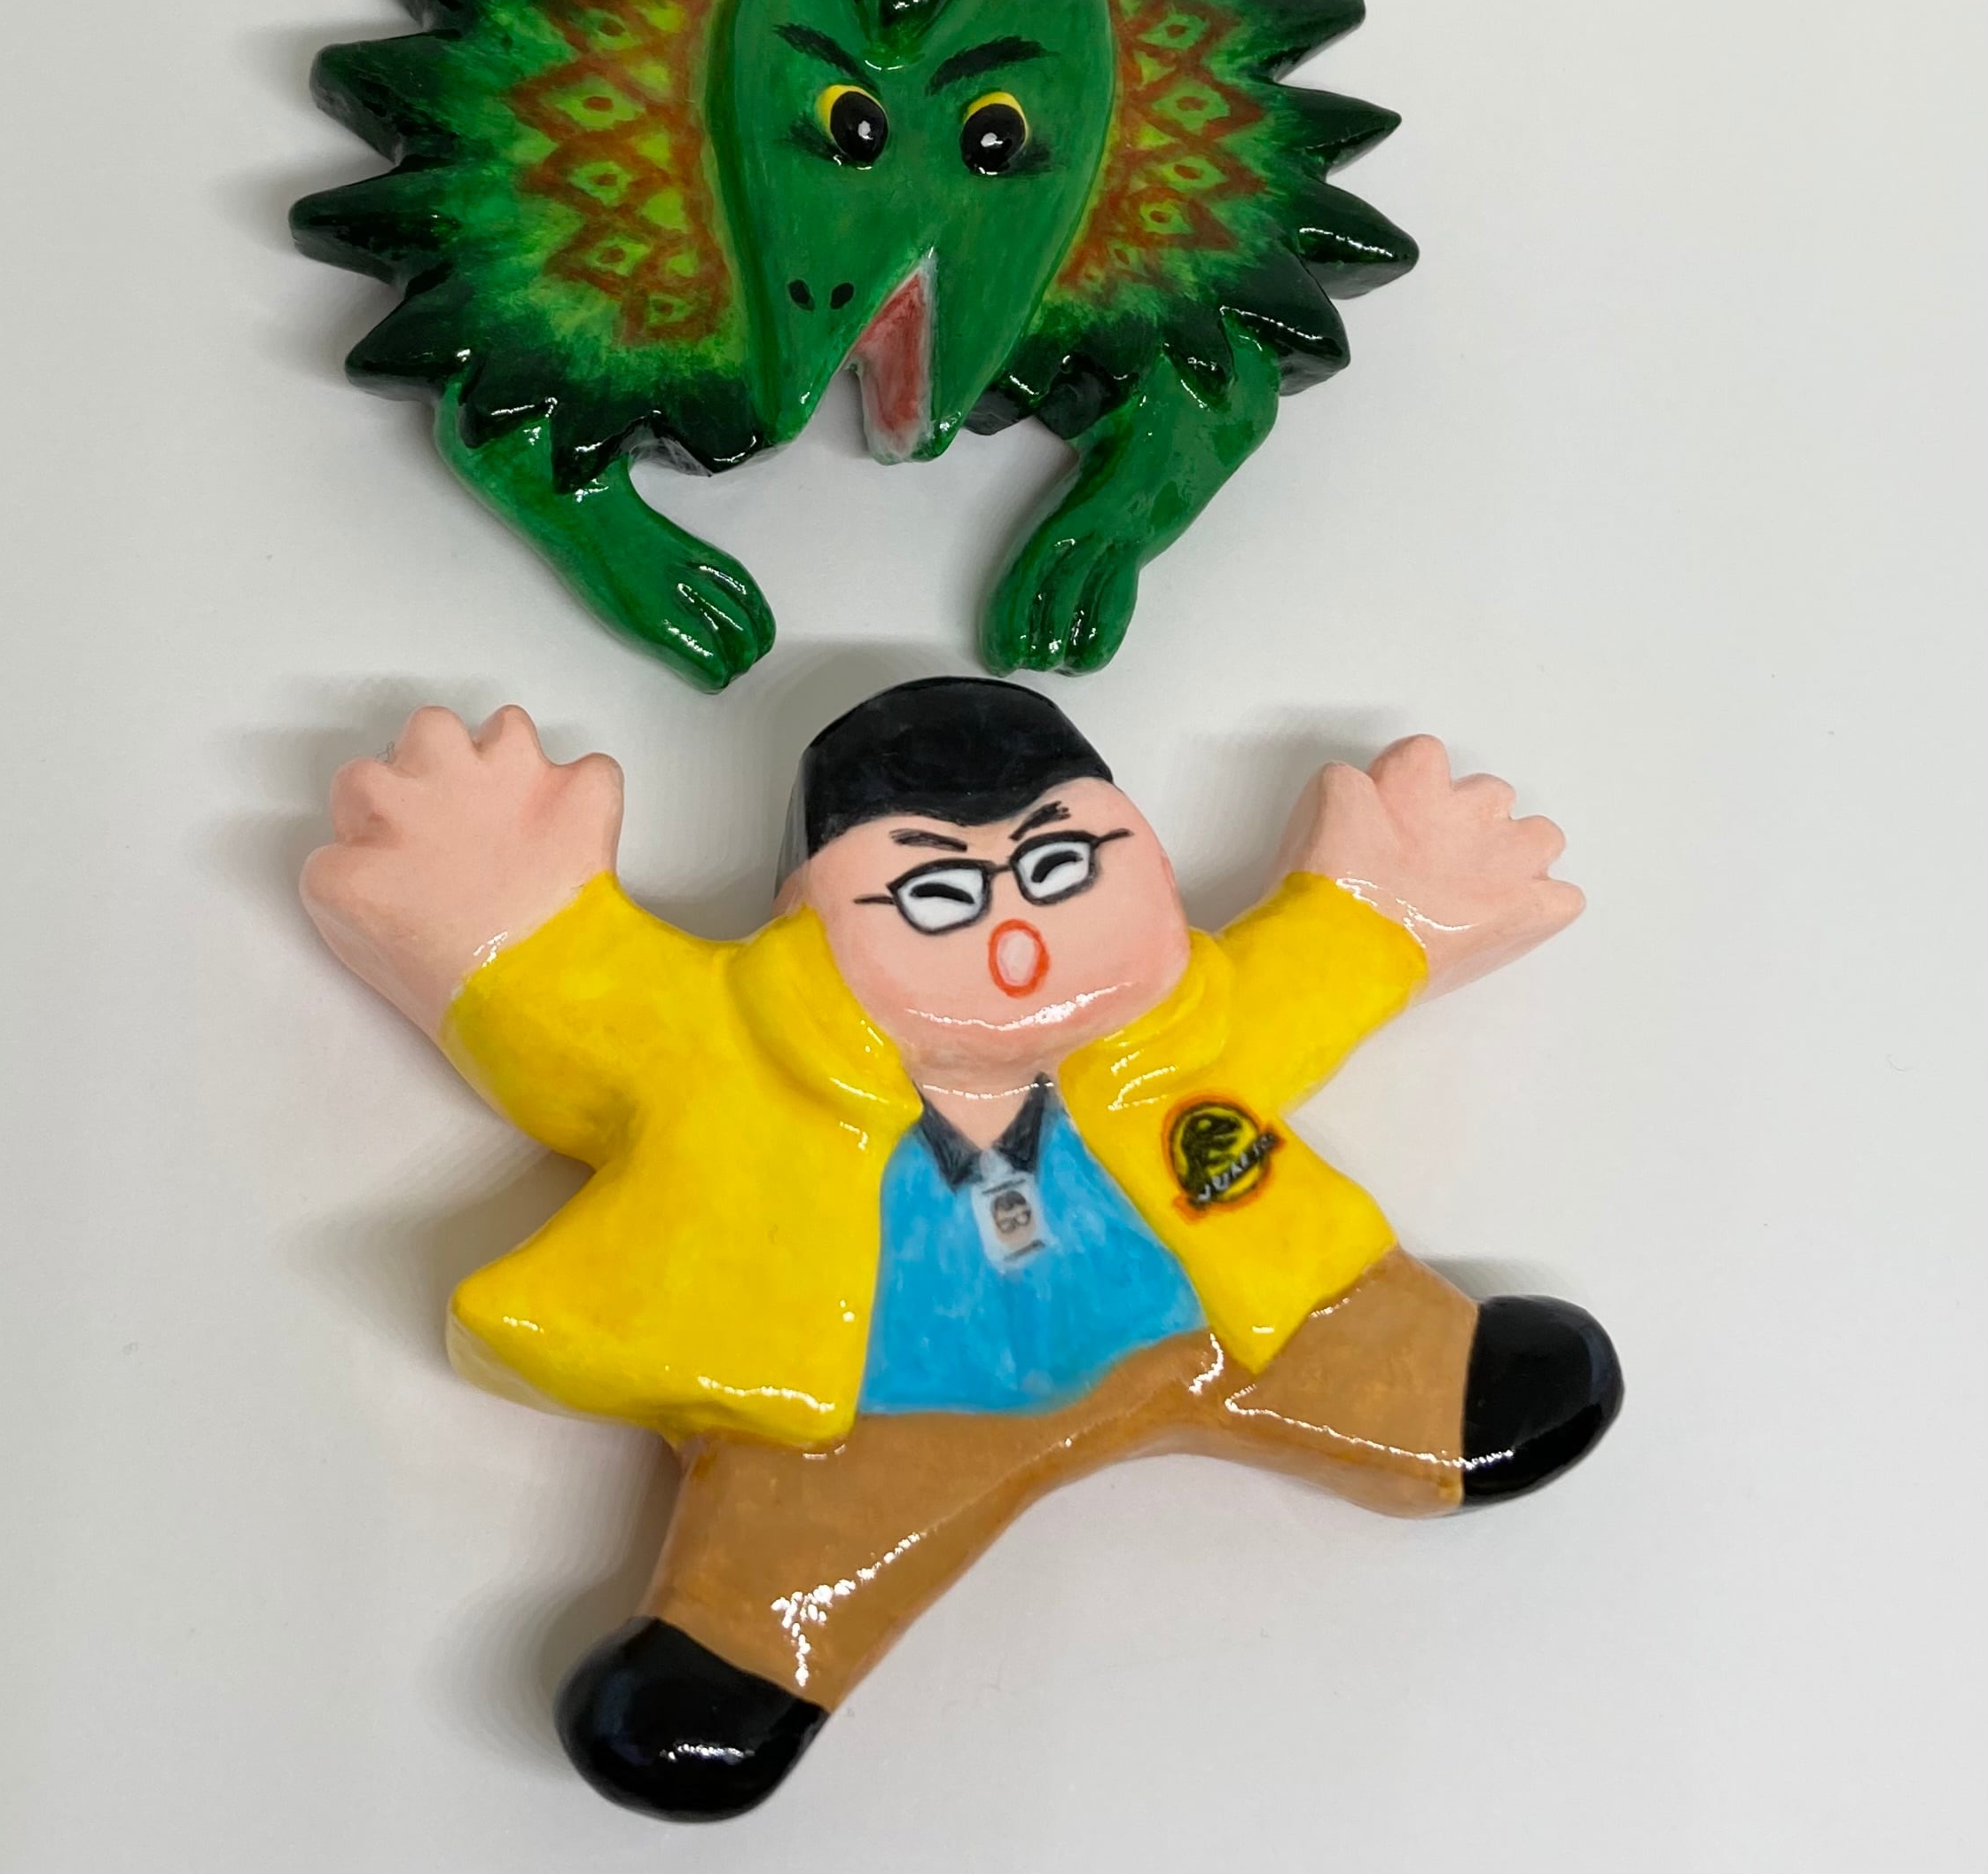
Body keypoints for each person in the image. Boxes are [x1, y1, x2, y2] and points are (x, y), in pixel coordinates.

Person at [301, 678, 1622, 1820]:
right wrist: (487, 902)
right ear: (812, 913)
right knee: (792, 1534)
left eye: (1062, 870)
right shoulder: (735, 1040)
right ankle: (734, 1660)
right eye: (936, 893)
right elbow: (581, 1011)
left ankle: (1451, 1397)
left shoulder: (1183, 1021)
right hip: (883, 1408)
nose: (1016, 935)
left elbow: (1316, 963)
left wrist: (1396, 893)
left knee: (1352, 1324)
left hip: (1219, 1324)